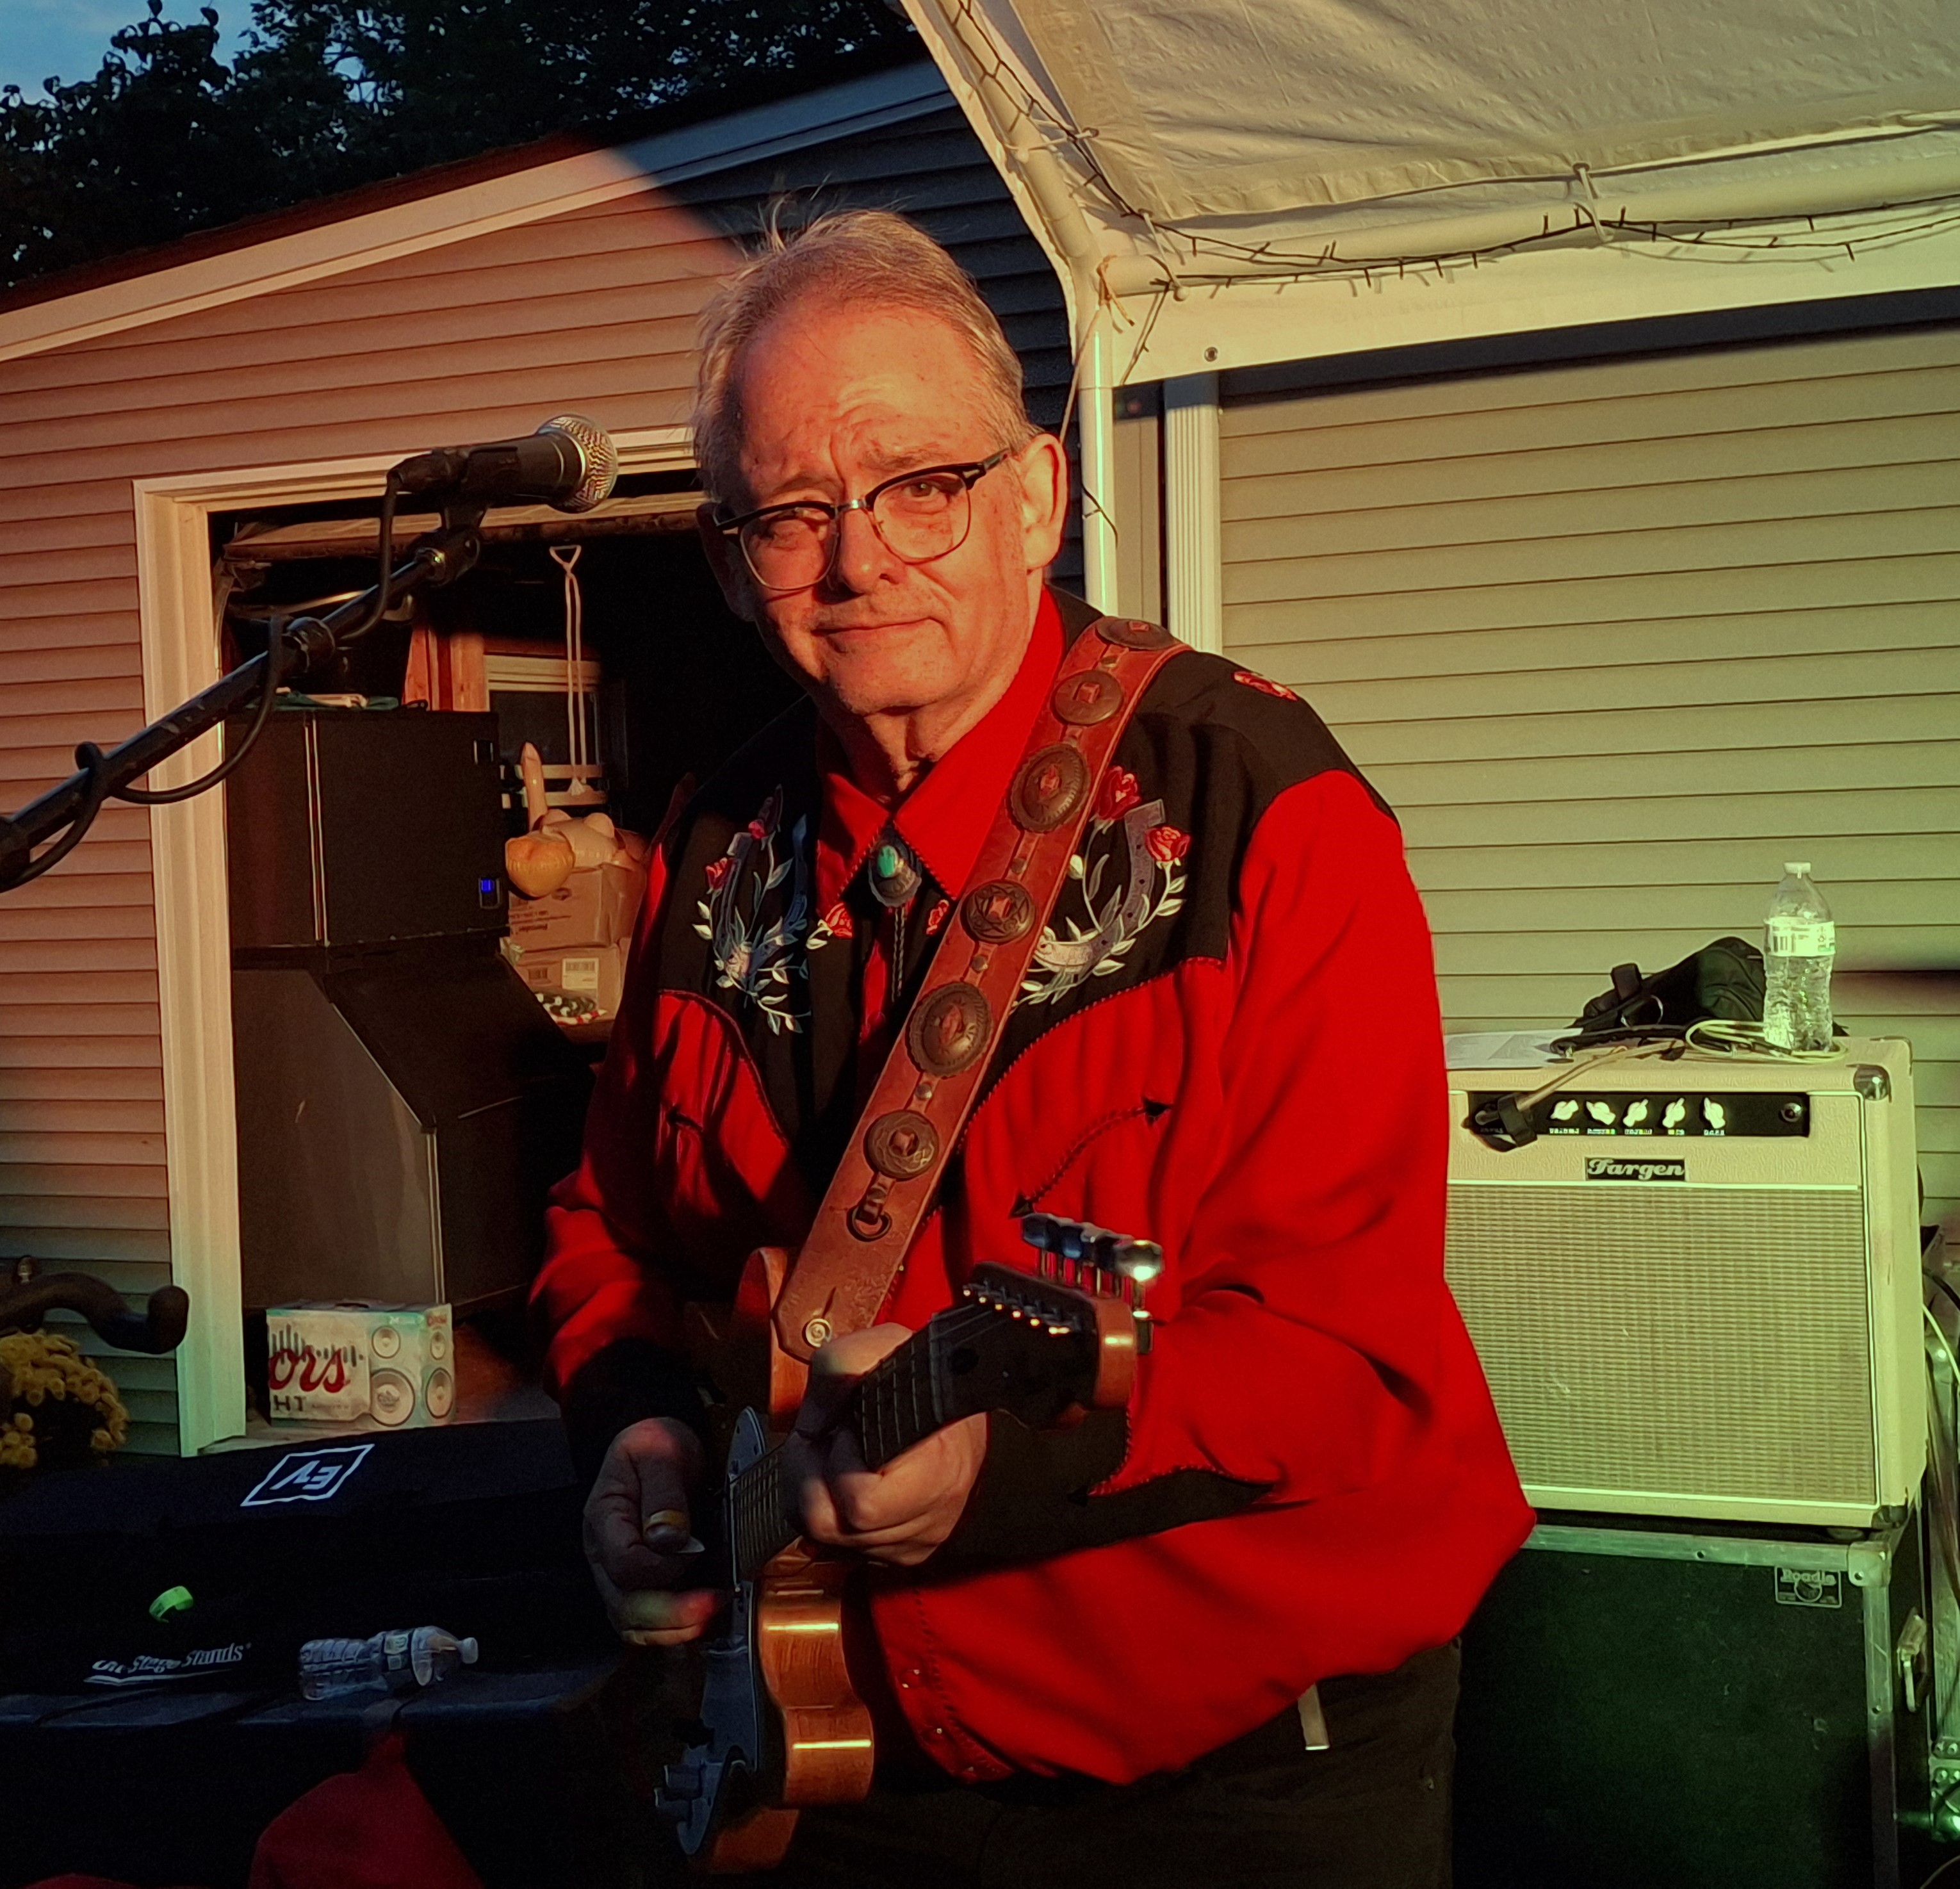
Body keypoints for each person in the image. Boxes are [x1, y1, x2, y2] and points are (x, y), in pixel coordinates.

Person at [530, 209, 1531, 1888]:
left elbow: (1339, 1349)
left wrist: (1003, 1462)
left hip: (1233, 1782)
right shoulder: (713, 845)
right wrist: (636, 1428)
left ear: (1035, 499)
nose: (859, 563)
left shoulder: (1263, 808)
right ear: (727, 560)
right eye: (792, 513)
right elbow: (611, 1229)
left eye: (919, 485)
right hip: (838, 1747)